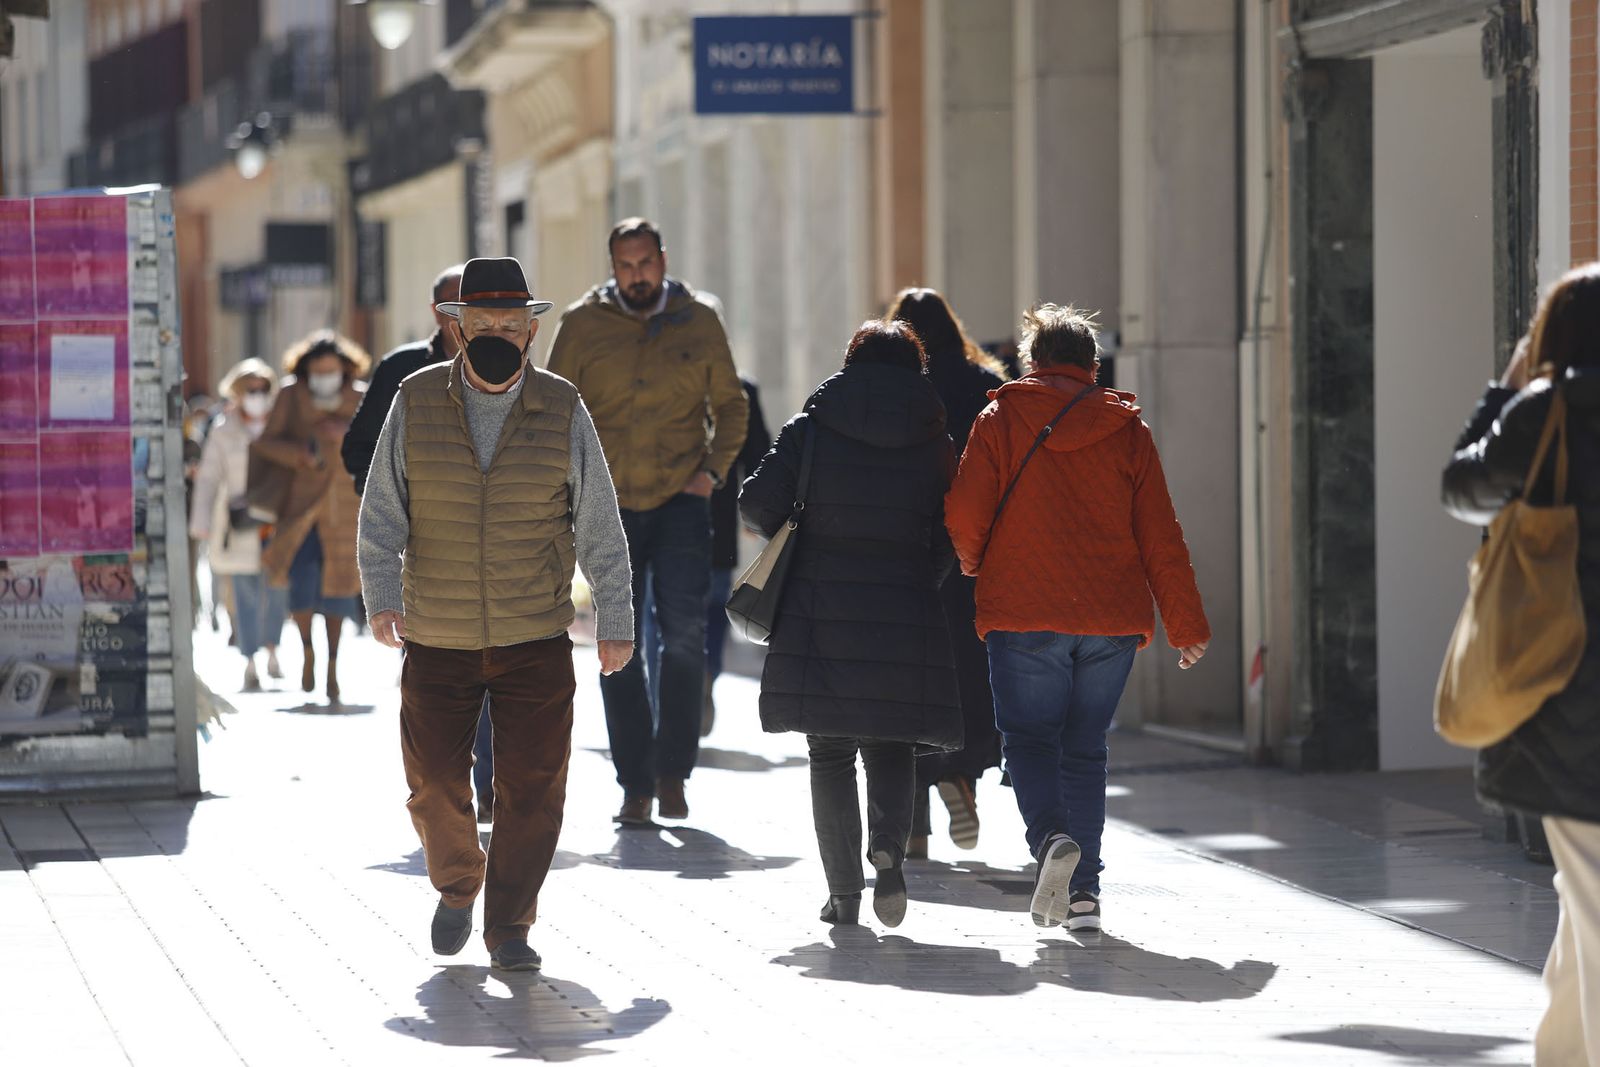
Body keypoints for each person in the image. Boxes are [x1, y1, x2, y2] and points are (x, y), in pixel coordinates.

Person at [358, 256, 634, 972]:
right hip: (437, 634)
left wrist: (615, 615)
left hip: (533, 633)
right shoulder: (416, 400)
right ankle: (458, 883)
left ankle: (509, 925)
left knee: (534, 789)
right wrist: (381, 593)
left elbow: (600, 520)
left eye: (513, 324)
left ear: (532, 329)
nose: (500, 334)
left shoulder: (563, 405)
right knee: (435, 784)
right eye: (484, 323)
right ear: (456, 327)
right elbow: (382, 509)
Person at [945, 303, 1210, 932]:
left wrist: (979, 562)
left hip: (1024, 609)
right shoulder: (1127, 429)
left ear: (1032, 360)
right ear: (1093, 365)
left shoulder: (1002, 417)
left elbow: (964, 515)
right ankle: (1084, 896)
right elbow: (1160, 535)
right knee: (1085, 749)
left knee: (1032, 740)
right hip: (1110, 616)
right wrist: (1187, 624)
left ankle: (1052, 844)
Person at [740, 320, 961, 928]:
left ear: (851, 363)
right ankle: (887, 847)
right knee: (892, 739)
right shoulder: (936, 436)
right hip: (904, 600)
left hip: (820, 604)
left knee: (830, 750)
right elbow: (956, 525)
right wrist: (926, 574)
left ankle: (843, 895)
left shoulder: (814, 425)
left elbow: (756, 503)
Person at [1441, 263, 1600, 1066]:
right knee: (1586, 894)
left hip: (1566, 684)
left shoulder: (1550, 411)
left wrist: (1503, 391)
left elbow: (1463, 487)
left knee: (1592, 893)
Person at [547, 217, 748, 826]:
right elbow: (556, 409)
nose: (637, 276)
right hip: (607, 506)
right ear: (612, 266)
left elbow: (732, 406)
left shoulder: (699, 321)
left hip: (682, 502)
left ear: (663, 259)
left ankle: (673, 774)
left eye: (645, 263)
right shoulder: (582, 326)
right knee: (618, 642)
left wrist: (711, 474)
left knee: (684, 635)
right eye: (625, 266)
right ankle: (634, 782)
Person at [341, 264, 497, 824]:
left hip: (494, 554)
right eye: (462, 305)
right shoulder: (402, 371)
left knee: (493, 668)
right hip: (423, 555)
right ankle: (447, 789)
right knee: (439, 678)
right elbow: (357, 451)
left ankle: (488, 786)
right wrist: (398, 493)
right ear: (440, 312)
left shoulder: (514, 367)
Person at [887, 287, 1007, 858]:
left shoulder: (892, 391)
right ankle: (962, 775)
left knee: (906, 681)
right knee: (967, 667)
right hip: (973, 555)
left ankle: (912, 827)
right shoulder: (986, 388)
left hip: (905, 553)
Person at [251, 331, 370, 703]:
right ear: (305, 371)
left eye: (331, 370)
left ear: (345, 369)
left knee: (338, 588)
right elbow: (266, 442)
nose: (324, 377)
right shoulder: (290, 395)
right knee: (300, 583)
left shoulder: (362, 397)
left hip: (346, 511)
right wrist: (300, 453)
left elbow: (378, 441)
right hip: (301, 507)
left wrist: (346, 431)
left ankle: (332, 666)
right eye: (317, 371)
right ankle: (306, 650)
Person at [187, 359, 287, 690]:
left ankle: (273, 650)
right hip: (239, 522)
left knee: (276, 591)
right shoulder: (222, 431)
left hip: (277, 522)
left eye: (263, 389)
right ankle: (249, 660)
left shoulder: (282, 426)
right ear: (239, 393)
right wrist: (201, 522)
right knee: (244, 594)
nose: (258, 395)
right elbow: (209, 478)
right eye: (251, 390)